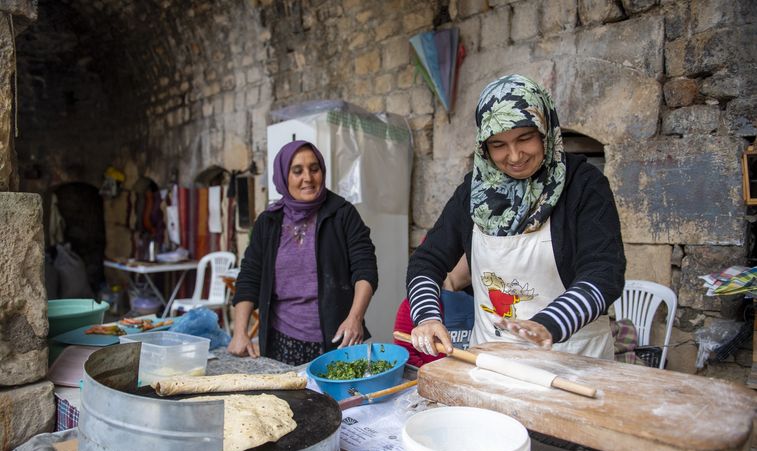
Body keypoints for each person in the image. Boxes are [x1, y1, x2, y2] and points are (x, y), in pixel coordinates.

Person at [407, 74, 626, 360]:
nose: (514, 156)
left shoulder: (584, 185)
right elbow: (426, 261)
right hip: (492, 358)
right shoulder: (473, 192)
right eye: (498, 144)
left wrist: (549, 323)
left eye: (524, 138)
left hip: (573, 358)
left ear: (544, 131)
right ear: (484, 147)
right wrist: (427, 317)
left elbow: (603, 273)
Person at [228, 140, 378, 365]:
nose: (308, 177)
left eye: (314, 169)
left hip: (338, 340)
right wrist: (240, 332)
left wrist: (355, 318)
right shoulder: (268, 222)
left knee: (339, 401)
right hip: (281, 343)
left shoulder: (343, 215)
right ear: (283, 176)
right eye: (297, 171)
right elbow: (250, 276)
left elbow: (365, 269)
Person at [394, 254, 474, 367]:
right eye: (470, 256)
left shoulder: (478, 300)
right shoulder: (415, 304)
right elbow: (404, 352)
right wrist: (430, 374)